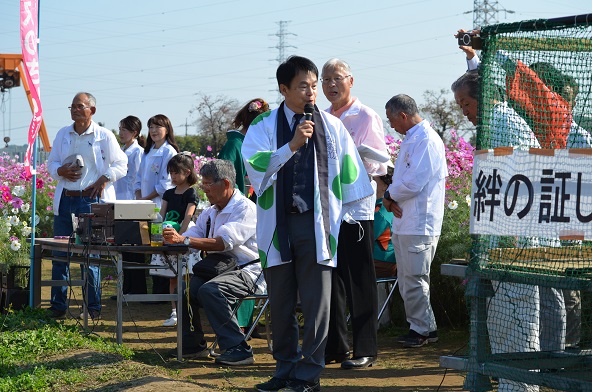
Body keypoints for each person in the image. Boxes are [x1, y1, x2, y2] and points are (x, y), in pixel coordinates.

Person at [242, 55, 373, 392]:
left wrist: (349, 221)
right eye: (304, 86)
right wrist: (292, 146)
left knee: (317, 306)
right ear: (283, 89)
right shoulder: (263, 126)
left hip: (317, 227)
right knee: (282, 304)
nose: (312, 92)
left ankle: (309, 374)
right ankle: (284, 369)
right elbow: (257, 170)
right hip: (276, 227)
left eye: (314, 86)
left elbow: (352, 177)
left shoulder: (332, 126)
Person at [451, 70, 541, 392]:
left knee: (517, 320)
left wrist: (502, 236)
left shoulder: (507, 124)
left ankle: (519, 387)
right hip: (498, 246)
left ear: (485, 96)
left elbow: (520, 185)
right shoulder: (493, 124)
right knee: (500, 322)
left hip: (516, 245)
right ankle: (508, 382)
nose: (464, 111)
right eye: (460, 105)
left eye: (466, 103)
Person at [321, 58, 387, 369]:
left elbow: (379, 163)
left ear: (351, 80)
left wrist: (352, 158)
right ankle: (336, 345)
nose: (331, 85)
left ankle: (366, 348)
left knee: (360, 278)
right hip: (327, 209)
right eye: (325, 80)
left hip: (355, 209)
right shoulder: (321, 117)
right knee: (331, 276)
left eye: (336, 78)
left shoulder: (365, 116)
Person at [164, 159, 265, 366]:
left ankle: (239, 348)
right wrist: (170, 239)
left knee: (211, 290)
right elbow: (192, 236)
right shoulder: (211, 211)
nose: (204, 189)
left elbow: (222, 243)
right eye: (203, 183)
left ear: (226, 184)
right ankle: (193, 345)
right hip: (220, 270)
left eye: (208, 184)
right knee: (186, 288)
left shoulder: (245, 208)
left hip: (250, 272)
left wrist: (184, 240)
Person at [46, 92, 127, 319]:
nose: (75, 110)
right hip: (65, 199)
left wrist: (104, 178)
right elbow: (51, 163)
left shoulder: (104, 135)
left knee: (90, 257)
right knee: (59, 254)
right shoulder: (64, 133)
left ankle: (92, 309)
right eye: (72, 106)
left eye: (80, 106)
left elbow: (122, 164)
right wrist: (59, 171)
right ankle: (58, 307)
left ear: (92, 110)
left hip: (91, 200)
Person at [382, 94, 447, 348]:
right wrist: (390, 196)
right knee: (410, 279)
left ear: (403, 116)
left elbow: (413, 183)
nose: (391, 126)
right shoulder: (414, 138)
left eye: (391, 120)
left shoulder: (427, 140)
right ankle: (424, 327)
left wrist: (388, 195)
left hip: (420, 222)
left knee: (415, 278)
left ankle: (421, 330)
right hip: (406, 220)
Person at [218, 97, 269, 335]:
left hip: (259, 208)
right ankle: (240, 323)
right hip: (240, 211)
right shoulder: (234, 146)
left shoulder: (252, 143)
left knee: (257, 262)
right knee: (245, 262)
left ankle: (251, 320)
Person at [135, 114, 179, 298]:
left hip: (159, 204)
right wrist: (139, 197)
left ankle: (161, 291)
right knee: (144, 245)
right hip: (143, 203)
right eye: (151, 127)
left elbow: (165, 183)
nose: (153, 130)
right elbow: (138, 178)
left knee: (158, 245)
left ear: (167, 129)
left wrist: (146, 198)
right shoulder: (148, 150)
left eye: (157, 127)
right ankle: (147, 288)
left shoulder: (169, 152)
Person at [153, 152, 198, 327]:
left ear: (187, 172)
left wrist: (181, 236)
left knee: (187, 275)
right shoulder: (168, 193)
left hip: (184, 236)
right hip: (168, 235)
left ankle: (187, 311)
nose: (172, 176)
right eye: (171, 172)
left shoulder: (191, 193)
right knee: (172, 276)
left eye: (176, 172)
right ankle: (174, 311)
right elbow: (161, 215)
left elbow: (188, 216)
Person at [113, 115, 148, 299]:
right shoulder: (122, 150)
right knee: (124, 249)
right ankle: (126, 289)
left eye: (124, 130)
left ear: (134, 132)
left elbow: (137, 179)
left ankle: (138, 289)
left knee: (135, 249)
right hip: (119, 202)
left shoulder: (138, 152)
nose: (121, 133)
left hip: (132, 203)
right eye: (120, 129)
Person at [373, 163, 397, 279]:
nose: (370, 181)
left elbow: (365, 237)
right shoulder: (380, 205)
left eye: (374, 179)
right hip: (380, 262)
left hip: (381, 263)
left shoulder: (383, 210)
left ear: (384, 186)